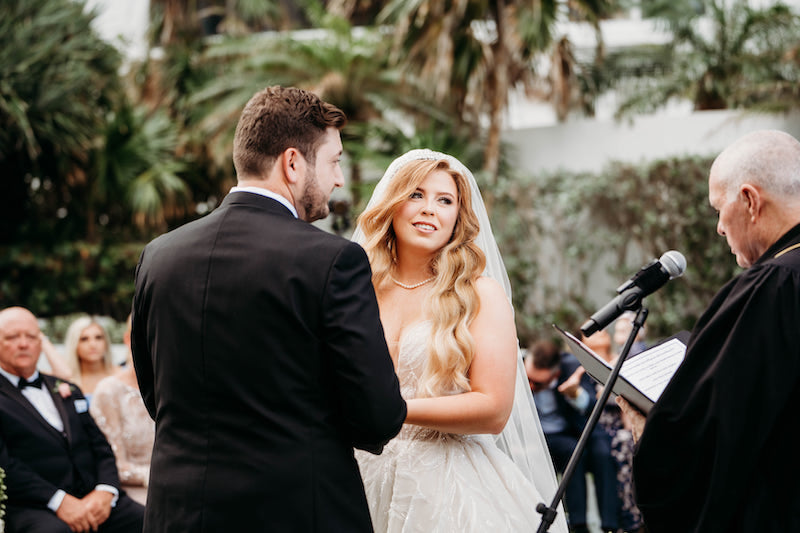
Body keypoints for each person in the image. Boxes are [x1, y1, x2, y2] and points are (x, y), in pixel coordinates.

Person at [131, 85, 407, 532]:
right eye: (334, 161)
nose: (339, 178)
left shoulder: (158, 256)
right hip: (296, 511)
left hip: (177, 514)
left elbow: (155, 394)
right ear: (293, 163)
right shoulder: (332, 260)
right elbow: (378, 416)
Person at [352, 149, 568, 533]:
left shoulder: (479, 294)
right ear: (392, 203)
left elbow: (494, 409)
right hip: (358, 476)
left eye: (445, 200)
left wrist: (394, 410)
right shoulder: (359, 289)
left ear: (458, 218)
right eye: (415, 195)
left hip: (446, 487)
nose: (429, 209)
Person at [617, 129, 800, 532]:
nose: (719, 227)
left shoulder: (773, 289)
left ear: (750, 201)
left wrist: (650, 433)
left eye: (720, 208)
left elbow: (711, 441)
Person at [0, 306, 144, 533]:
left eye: (31, 336)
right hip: (36, 505)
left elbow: (101, 447)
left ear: (41, 342)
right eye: (12, 337)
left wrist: (106, 491)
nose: (23, 344)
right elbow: (5, 464)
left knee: (147, 519)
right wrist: (59, 501)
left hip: (93, 496)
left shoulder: (67, 389)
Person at [525, 338, 620, 533]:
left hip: (570, 431)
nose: (530, 385)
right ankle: (571, 524)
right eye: (529, 379)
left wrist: (574, 393)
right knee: (571, 453)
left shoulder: (571, 367)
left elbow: (592, 407)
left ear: (555, 374)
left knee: (593, 452)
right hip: (540, 435)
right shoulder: (521, 365)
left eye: (537, 383)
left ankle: (599, 525)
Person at [581, 330, 643, 533]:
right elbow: (590, 403)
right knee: (624, 445)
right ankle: (629, 519)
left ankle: (637, 515)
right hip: (601, 425)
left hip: (625, 421)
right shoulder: (584, 369)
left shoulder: (623, 359)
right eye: (590, 332)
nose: (601, 332)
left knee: (631, 442)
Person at [90, 315, 153, 505]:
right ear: (128, 339)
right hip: (134, 495)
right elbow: (114, 464)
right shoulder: (109, 391)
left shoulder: (175, 388)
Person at [63, 316, 116, 400]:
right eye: (84, 339)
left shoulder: (121, 374)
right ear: (74, 344)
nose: (93, 345)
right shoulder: (65, 380)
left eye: (98, 337)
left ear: (106, 342)